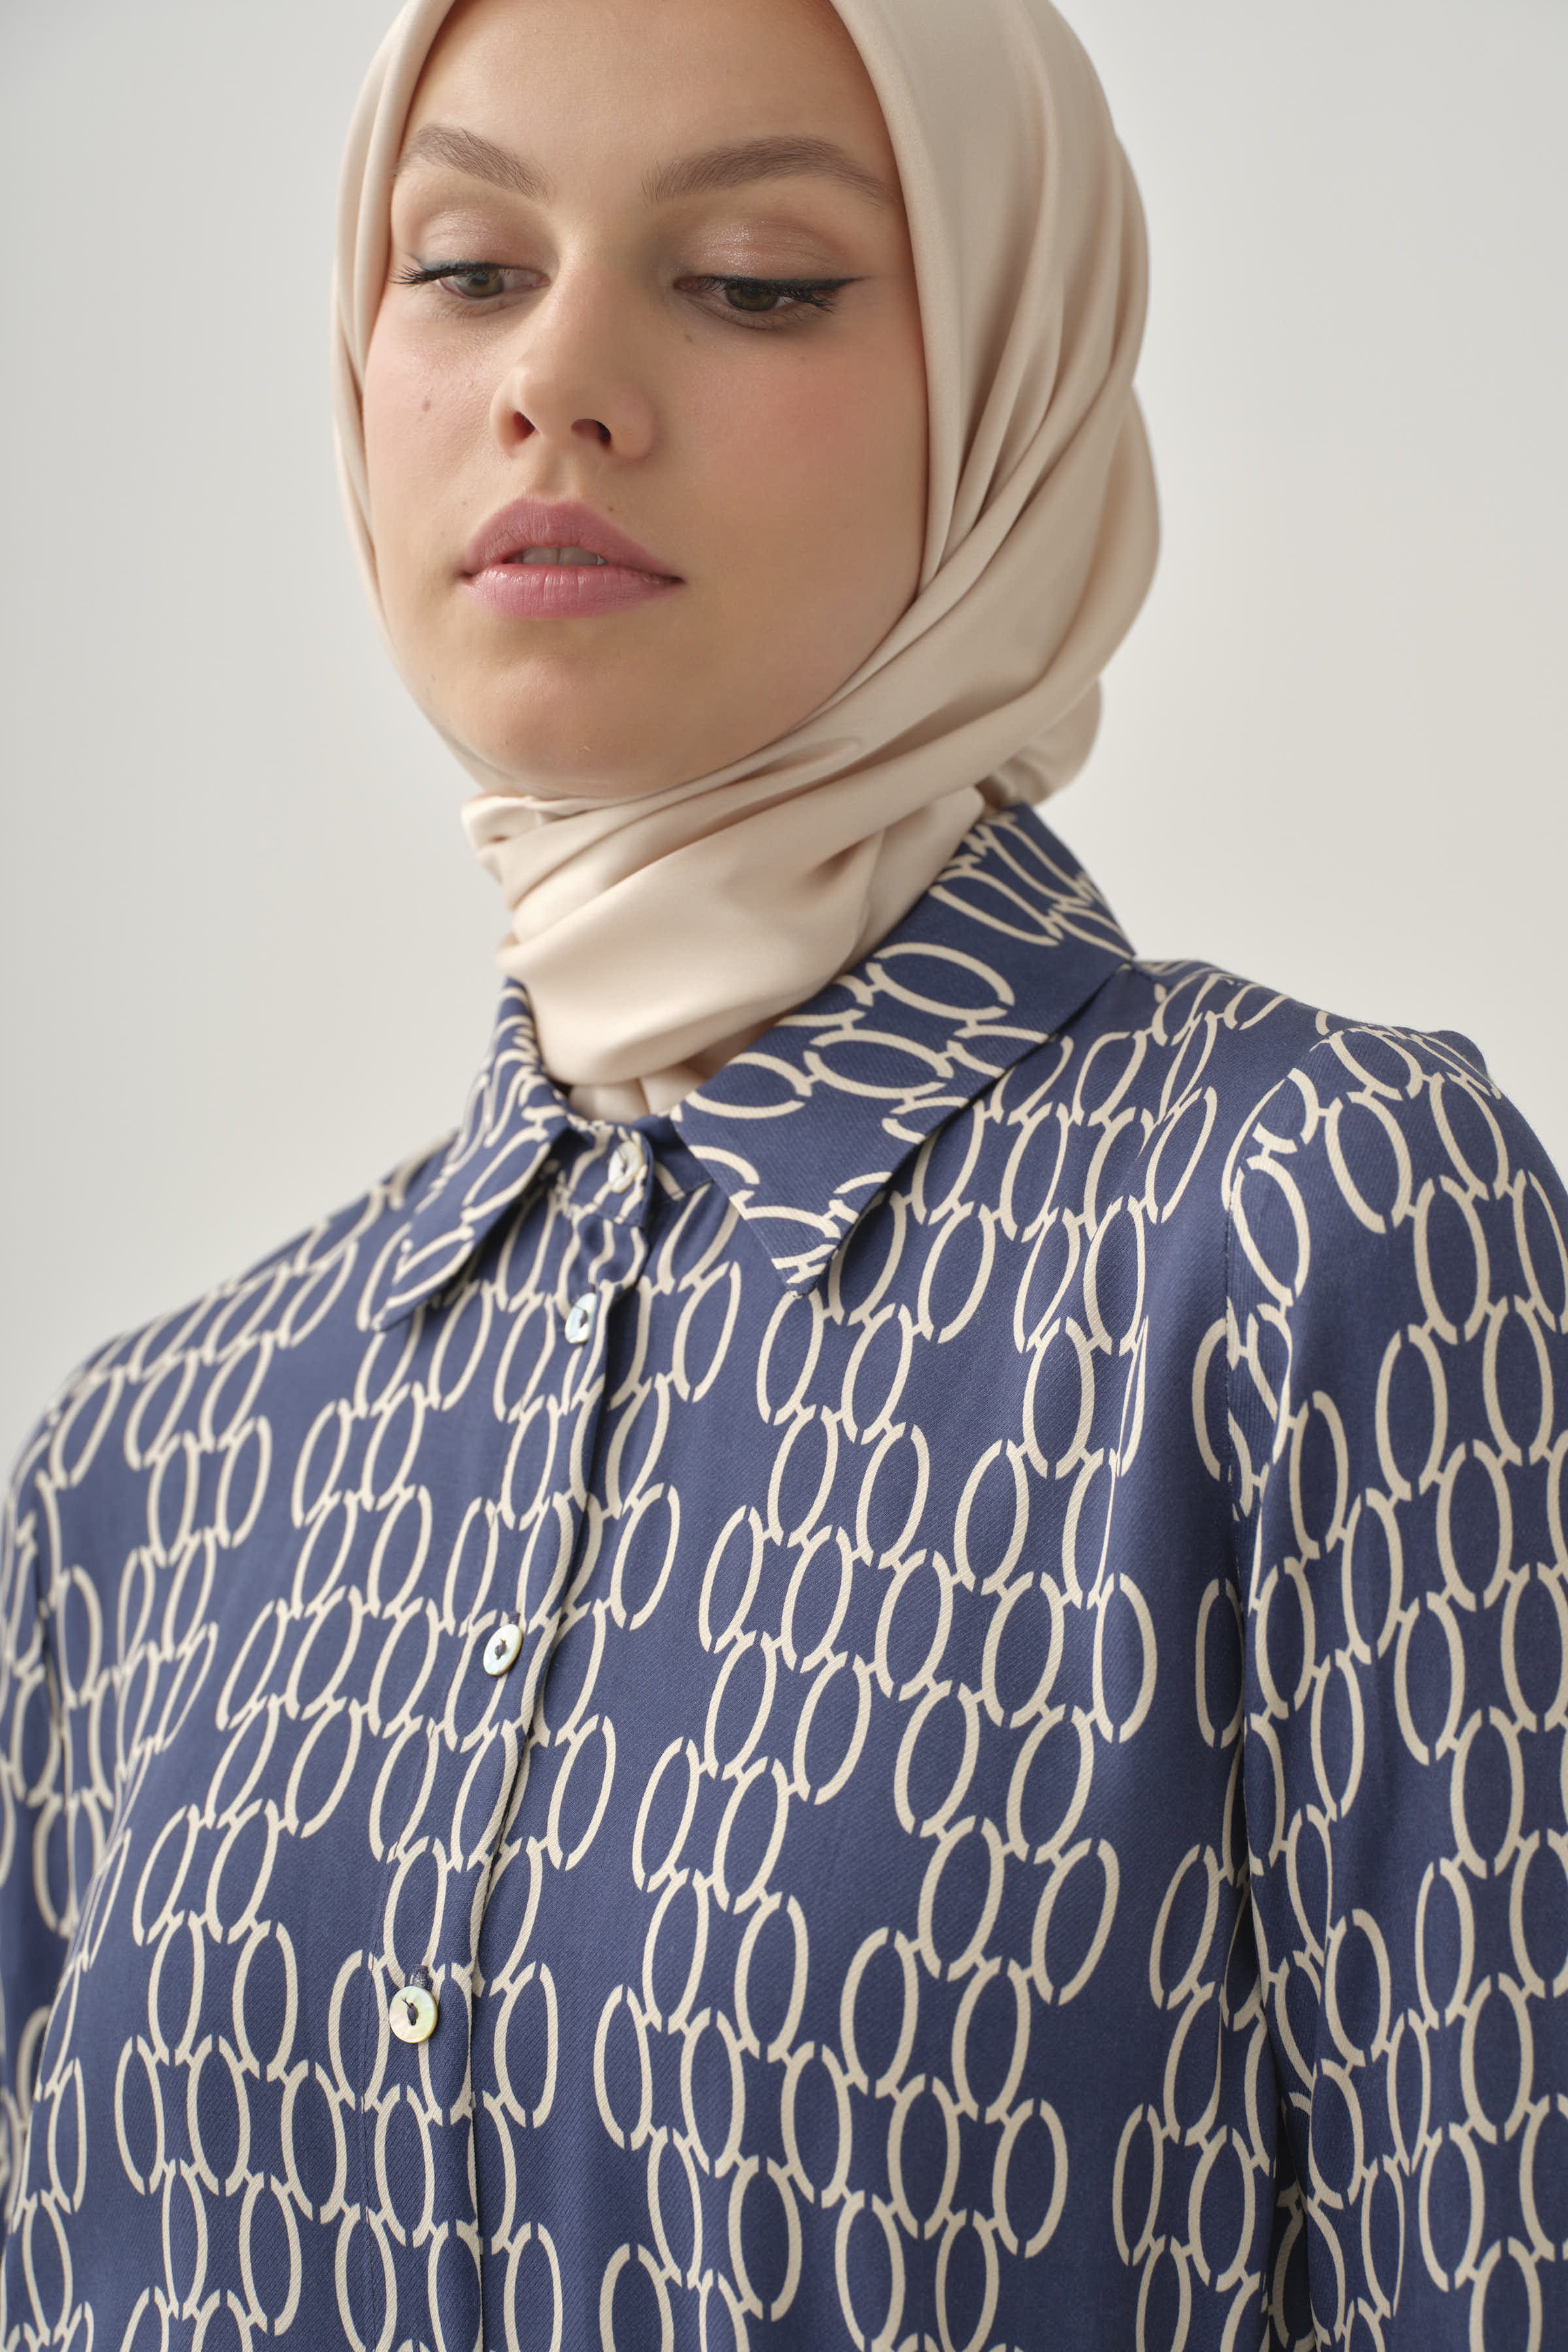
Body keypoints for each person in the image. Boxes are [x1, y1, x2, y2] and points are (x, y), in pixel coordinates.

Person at [1, 0, 1563, 2344]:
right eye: (464, 267)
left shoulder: (1314, 1235)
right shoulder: (150, 1469)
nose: (559, 383)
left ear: (1015, 391)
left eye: (753, 281)